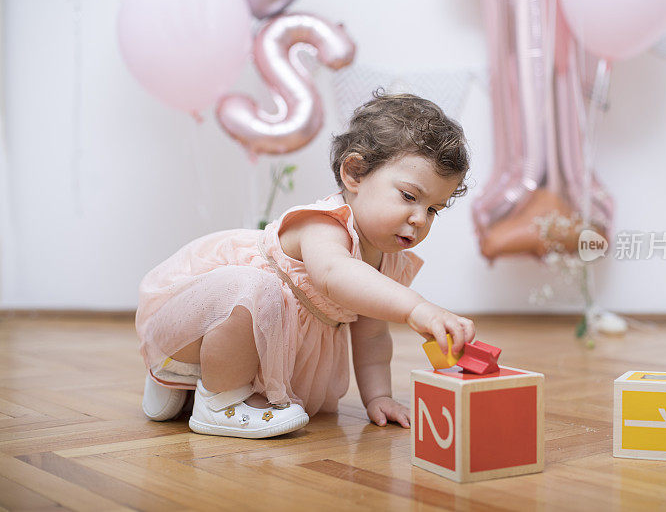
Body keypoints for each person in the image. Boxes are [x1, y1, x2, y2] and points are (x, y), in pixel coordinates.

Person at [135, 91, 476, 439]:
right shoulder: (324, 225)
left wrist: (379, 396)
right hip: (193, 317)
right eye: (409, 196)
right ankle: (212, 399)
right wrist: (415, 307)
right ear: (354, 173)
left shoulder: (386, 261)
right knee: (255, 289)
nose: (420, 219)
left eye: (433, 209)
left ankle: (189, 388)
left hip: (243, 345)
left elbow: (372, 337)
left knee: (270, 323)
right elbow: (335, 276)